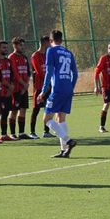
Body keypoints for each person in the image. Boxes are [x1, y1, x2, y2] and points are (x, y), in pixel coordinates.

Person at [37, 30, 79, 158]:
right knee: (61, 118)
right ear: (61, 39)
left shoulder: (51, 51)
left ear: (51, 40)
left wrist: (43, 91)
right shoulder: (68, 53)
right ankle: (64, 150)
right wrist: (70, 88)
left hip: (57, 89)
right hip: (67, 89)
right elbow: (75, 74)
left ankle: (68, 141)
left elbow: (48, 72)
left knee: (46, 119)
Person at [7, 37, 31, 140]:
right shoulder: (11, 57)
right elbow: (15, 74)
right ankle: (12, 133)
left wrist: (26, 85)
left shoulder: (24, 57)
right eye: (20, 45)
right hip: (16, 89)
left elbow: (28, 73)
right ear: (15, 45)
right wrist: (23, 84)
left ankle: (21, 132)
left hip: (24, 88)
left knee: (23, 109)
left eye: (23, 45)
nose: (22, 47)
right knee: (14, 110)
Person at [31, 36, 54, 138]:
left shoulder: (48, 54)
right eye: (49, 42)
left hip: (49, 87)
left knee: (48, 108)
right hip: (40, 87)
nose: (50, 44)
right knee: (36, 109)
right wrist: (48, 80)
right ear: (44, 42)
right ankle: (32, 132)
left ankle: (46, 131)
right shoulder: (35, 56)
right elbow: (39, 72)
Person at [0, 40, 16, 142]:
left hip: (7, 92)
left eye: (6, 47)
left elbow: (12, 75)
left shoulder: (8, 61)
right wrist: (8, 86)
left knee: (5, 113)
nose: (5, 49)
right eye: (3, 47)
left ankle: (4, 134)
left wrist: (11, 86)